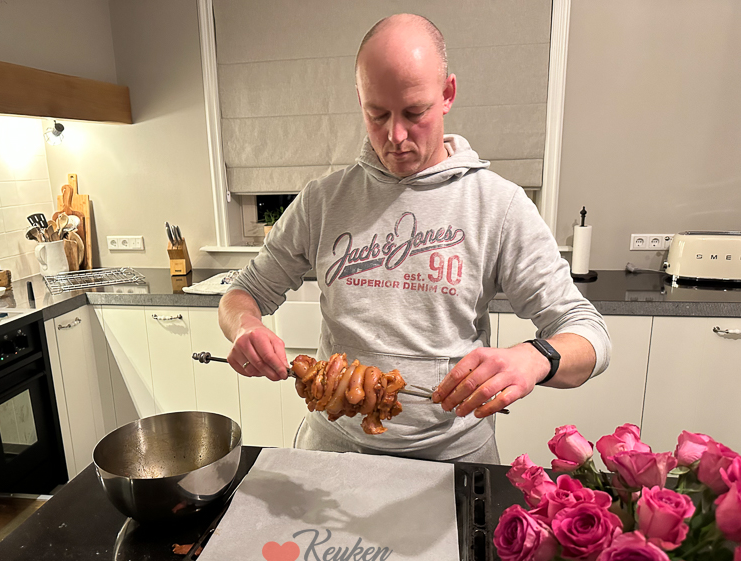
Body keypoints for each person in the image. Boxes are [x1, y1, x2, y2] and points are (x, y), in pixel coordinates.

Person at [218, 14, 611, 464]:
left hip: (452, 461)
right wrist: (245, 327)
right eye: (377, 114)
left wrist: (534, 357)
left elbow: (589, 335)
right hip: (331, 453)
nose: (396, 136)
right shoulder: (323, 201)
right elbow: (243, 293)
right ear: (360, 100)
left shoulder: (498, 206)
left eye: (414, 112)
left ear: (447, 95)